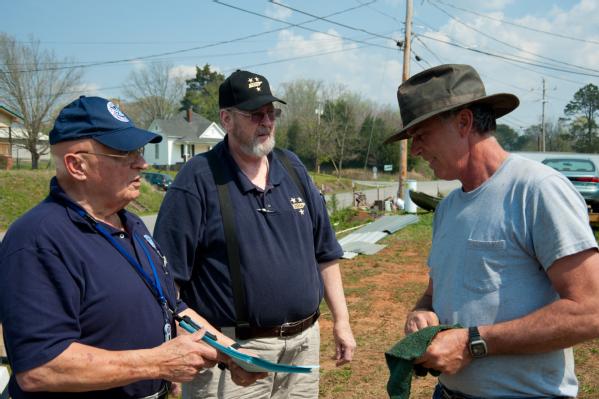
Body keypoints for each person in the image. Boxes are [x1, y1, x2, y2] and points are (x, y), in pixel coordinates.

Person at [0, 96, 263, 399]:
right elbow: (40, 367)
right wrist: (156, 363)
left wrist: (231, 354)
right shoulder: (37, 240)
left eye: (137, 150)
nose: (142, 162)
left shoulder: (133, 225)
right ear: (76, 165)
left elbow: (174, 309)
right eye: (122, 153)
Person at [386, 64, 599, 399]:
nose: (415, 150)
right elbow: (435, 291)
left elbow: (591, 311)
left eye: (421, 135)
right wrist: (420, 311)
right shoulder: (448, 207)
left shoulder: (537, 190)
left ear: (464, 122)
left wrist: (473, 344)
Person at [154, 69, 356, 398]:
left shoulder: (292, 168)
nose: (266, 121)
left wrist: (342, 322)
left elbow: (326, 253)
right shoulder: (199, 179)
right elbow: (167, 283)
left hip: (303, 345)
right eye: (254, 114)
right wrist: (183, 347)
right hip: (231, 354)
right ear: (227, 119)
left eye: (271, 112)